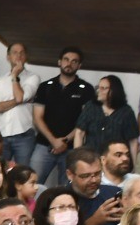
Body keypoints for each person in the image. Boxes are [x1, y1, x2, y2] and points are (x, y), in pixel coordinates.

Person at [30, 46, 93, 183]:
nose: (69, 64)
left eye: (74, 61)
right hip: (44, 145)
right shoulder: (45, 86)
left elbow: (86, 120)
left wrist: (64, 141)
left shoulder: (86, 89)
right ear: (59, 62)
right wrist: (54, 141)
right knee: (31, 183)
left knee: (67, 188)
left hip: (71, 148)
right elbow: (37, 118)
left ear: (79, 65)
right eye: (66, 59)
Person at [0, 41, 40, 166]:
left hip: (24, 134)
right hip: (1, 135)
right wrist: (18, 101)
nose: (19, 56)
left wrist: (14, 76)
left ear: (26, 57)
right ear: (8, 57)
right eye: (15, 53)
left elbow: (20, 97)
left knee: (22, 172)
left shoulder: (33, 77)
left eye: (22, 53)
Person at [60, 147, 123, 225]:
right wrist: (93, 221)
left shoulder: (114, 192)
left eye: (97, 174)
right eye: (86, 176)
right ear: (70, 175)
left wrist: (128, 215)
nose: (94, 180)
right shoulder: (59, 200)